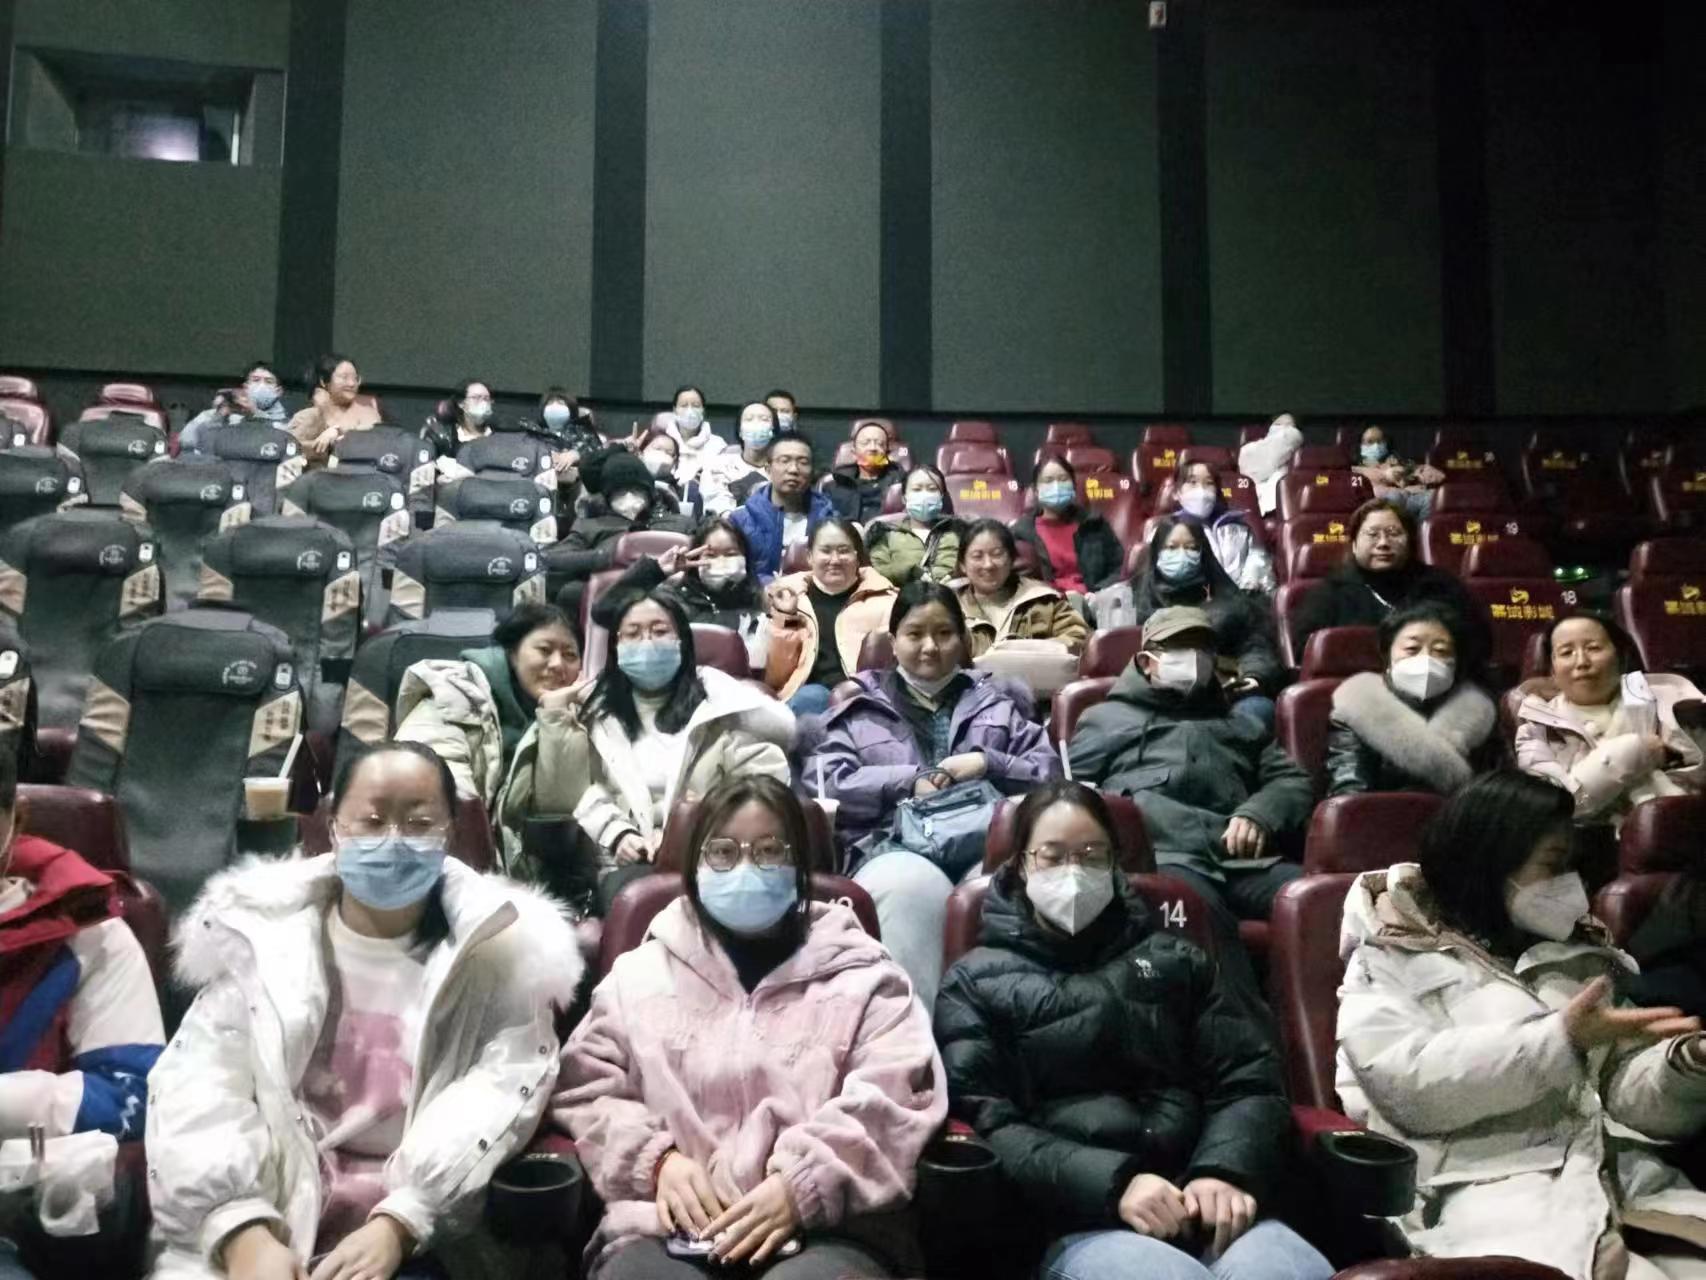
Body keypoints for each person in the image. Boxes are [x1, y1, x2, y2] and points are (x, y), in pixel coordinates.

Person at [144, 741, 583, 1280]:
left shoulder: (498, 954)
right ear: (333, 829)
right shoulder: (260, 940)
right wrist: (241, 1230)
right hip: (270, 1203)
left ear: (450, 834)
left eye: (419, 823)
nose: (393, 840)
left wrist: (404, 1219)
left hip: (418, 1229)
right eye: (372, 821)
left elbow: (501, 1088)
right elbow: (200, 1083)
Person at [552, 775, 947, 1280]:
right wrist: (655, 1161)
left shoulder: (866, 975)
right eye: (722, 853)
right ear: (695, 866)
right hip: (666, 1228)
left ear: (800, 865)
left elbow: (895, 1098)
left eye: (768, 852)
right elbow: (586, 1088)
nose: (744, 869)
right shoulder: (639, 976)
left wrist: (804, 1182)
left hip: (828, 1229)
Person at [935, 783, 1332, 1280]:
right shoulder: (974, 982)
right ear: (1020, 866)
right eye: (1052, 857)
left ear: (1115, 864)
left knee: (1286, 1271)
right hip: (1077, 1218)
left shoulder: (1178, 959)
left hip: (1202, 1198)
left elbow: (1248, 1081)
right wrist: (1116, 1184)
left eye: (1091, 856)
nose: (1073, 873)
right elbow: (988, 1125)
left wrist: (1224, 1169)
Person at [1336, 770, 1706, 1280]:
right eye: (1554, 865)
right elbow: (1407, 1083)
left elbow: (1622, 1098)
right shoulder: (1389, 952)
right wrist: (1560, 1040)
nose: (1572, 884)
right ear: (1490, 862)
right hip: (1484, 1185)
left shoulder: (1582, 954)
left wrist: (1685, 1066)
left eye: (1573, 864)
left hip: (1615, 1171)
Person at [804, 581, 1061, 1007]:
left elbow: (1050, 774)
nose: (930, 647)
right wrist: (908, 780)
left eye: (944, 634)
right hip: (890, 847)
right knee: (910, 888)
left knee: (1009, 884)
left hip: (987, 843)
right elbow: (825, 782)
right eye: (915, 634)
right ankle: (917, 1032)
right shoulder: (858, 707)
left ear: (963, 640)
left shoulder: (997, 703)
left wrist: (988, 762)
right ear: (893, 641)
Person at [1067, 606, 1313, 1017]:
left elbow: (1292, 781)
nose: (1193, 658)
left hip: (1242, 860)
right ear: (1146, 661)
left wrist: (1258, 813)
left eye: (1201, 649)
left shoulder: (1238, 723)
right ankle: (1248, 1039)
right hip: (1166, 858)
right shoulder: (1104, 720)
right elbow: (1074, 794)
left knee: (1320, 897)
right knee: (1199, 910)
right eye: (1179, 648)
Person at [0, 743, 163, 1279]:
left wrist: (12, 1101)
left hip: (17, 1209)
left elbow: (133, 1097)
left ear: (16, 820)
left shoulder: (89, 934)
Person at [572, 588, 794, 914]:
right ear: (615, 647)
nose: (647, 643)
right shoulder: (596, 712)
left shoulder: (719, 706)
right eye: (632, 634)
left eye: (659, 631)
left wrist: (695, 823)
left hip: (715, 854)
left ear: (682, 641)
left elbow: (763, 782)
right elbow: (582, 788)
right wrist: (618, 834)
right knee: (636, 895)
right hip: (626, 862)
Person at [392, 603, 589, 882]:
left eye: (570, 655)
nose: (558, 664)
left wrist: (556, 717)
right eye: (545, 650)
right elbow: (433, 792)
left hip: (532, 877)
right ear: (512, 653)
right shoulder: (453, 695)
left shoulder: (578, 717)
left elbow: (557, 815)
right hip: (444, 865)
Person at [1091, 517, 1283, 732]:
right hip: (1151, 697)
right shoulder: (1130, 600)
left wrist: (1254, 675)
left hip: (1220, 697)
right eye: (1171, 548)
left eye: (1191, 548)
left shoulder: (1231, 602)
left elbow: (1256, 648)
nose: (1181, 555)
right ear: (1156, 553)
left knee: (1258, 708)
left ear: (1203, 553)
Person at [1516, 613, 1705, 824]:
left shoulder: (1669, 698)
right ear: (1553, 669)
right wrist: (1634, 751)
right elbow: (1554, 805)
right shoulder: (1536, 725)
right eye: (1567, 652)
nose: (1582, 662)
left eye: (1593, 648)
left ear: (1621, 657)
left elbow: (1695, 779)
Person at [1288, 498, 1488, 671]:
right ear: (1354, 544)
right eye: (1372, 534)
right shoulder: (1330, 593)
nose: (1383, 543)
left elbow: (1478, 643)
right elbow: (1307, 654)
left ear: (1411, 542)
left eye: (1394, 533)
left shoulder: (1441, 586)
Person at [1324, 601, 1495, 795]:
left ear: (1457, 662)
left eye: (1441, 651)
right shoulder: (1357, 709)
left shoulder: (1480, 711)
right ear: (1388, 655)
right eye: (1412, 648)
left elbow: (1495, 792)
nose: (1426, 659)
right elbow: (1349, 794)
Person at [761, 520, 896, 715]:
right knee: (811, 698)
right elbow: (775, 677)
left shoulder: (886, 599)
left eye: (844, 551)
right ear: (809, 557)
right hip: (804, 699)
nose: (835, 560)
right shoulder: (785, 597)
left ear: (858, 557)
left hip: (865, 698)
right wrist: (785, 619)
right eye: (825, 551)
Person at [602, 516, 769, 661]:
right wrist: (656, 571)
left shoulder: (758, 603)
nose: (721, 562)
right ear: (696, 559)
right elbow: (605, 611)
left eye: (730, 554)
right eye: (711, 555)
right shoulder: (672, 599)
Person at [550, 451, 696, 617]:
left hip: (673, 594)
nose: (629, 497)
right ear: (607, 497)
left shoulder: (680, 524)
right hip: (614, 597)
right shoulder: (591, 526)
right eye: (620, 492)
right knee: (571, 592)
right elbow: (552, 558)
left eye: (636, 490)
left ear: (649, 493)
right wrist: (609, 556)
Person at [953, 519, 1088, 657]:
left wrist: (1031, 651)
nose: (988, 565)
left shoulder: (1043, 599)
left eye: (997, 554)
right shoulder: (950, 606)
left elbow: (1079, 637)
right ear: (962, 565)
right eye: (977, 557)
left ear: (1012, 559)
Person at [730, 432, 837, 583]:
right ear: (768, 469)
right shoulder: (740, 521)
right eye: (784, 461)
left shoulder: (830, 519)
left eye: (803, 462)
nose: (793, 469)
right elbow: (735, 574)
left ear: (812, 471)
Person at [1010, 456, 1124, 595]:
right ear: (1035, 491)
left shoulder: (1094, 524)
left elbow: (1118, 567)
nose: (1056, 486)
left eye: (1063, 479)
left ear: (1073, 487)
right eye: (1048, 481)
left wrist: (1099, 593)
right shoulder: (1020, 533)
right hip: (1048, 601)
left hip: (1094, 599)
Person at [1170, 460, 1275, 593]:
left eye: (1209, 483)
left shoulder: (1239, 526)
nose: (1201, 490)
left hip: (1241, 600)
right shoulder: (1166, 531)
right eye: (1193, 482)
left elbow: (1258, 558)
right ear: (1177, 493)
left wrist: (1248, 587)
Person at [864, 465, 963, 588]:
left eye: (932, 489)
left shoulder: (958, 530)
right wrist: (909, 572)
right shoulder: (884, 533)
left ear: (942, 497)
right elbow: (877, 572)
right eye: (917, 489)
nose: (924, 495)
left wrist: (953, 578)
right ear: (904, 498)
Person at [287, 353, 383, 461]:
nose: (352, 383)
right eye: (344, 377)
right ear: (324, 381)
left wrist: (337, 431)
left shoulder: (366, 412)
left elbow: (372, 439)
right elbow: (289, 447)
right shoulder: (307, 415)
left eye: (356, 378)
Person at [179, 362, 289, 453]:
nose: (261, 386)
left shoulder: (287, 424)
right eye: (256, 380)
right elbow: (186, 441)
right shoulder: (213, 414)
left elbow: (279, 446)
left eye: (268, 382)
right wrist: (219, 416)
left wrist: (255, 415)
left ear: (279, 391)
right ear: (246, 387)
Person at [1350, 425, 1444, 523]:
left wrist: (1411, 476)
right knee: (1394, 496)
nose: (1376, 446)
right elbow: (1363, 492)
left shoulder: (1401, 463)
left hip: (1412, 501)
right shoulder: (1355, 470)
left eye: (1380, 441)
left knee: (1434, 496)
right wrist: (1386, 475)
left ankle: (1422, 530)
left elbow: (1439, 476)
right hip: (1381, 507)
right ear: (1360, 445)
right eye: (1370, 442)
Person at [697, 401, 775, 517]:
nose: (756, 424)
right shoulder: (718, 465)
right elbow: (716, 503)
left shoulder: (783, 468)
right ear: (740, 431)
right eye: (749, 419)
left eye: (764, 419)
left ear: (773, 430)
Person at [823, 420, 903, 524]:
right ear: (854, 452)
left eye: (880, 444)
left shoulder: (900, 482)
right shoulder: (835, 484)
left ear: (887, 452)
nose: (872, 448)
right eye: (865, 443)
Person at [654, 385, 724, 486]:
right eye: (683, 405)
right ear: (675, 410)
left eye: (696, 405)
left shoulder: (717, 445)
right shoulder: (661, 442)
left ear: (703, 410)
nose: (690, 411)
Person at [1236, 413, 1303, 516]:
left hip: (1278, 509)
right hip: (1250, 503)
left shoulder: (1293, 437)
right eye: (1278, 425)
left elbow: (1290, 439)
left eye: (1288, 426)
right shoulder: (1247, 450)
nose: (1283, 429)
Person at [419, 378, 496, 460]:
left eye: (486, 399)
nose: (483, 403)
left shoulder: (496, 435)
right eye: (477, 398)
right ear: (461, 403)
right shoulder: (442, 436)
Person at [637, 429, 688, 515]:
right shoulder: (628, 481)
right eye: (658, 449)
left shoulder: (681, 492)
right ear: (641, 452)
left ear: (674, 461)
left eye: (668, 453)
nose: (662, 455)